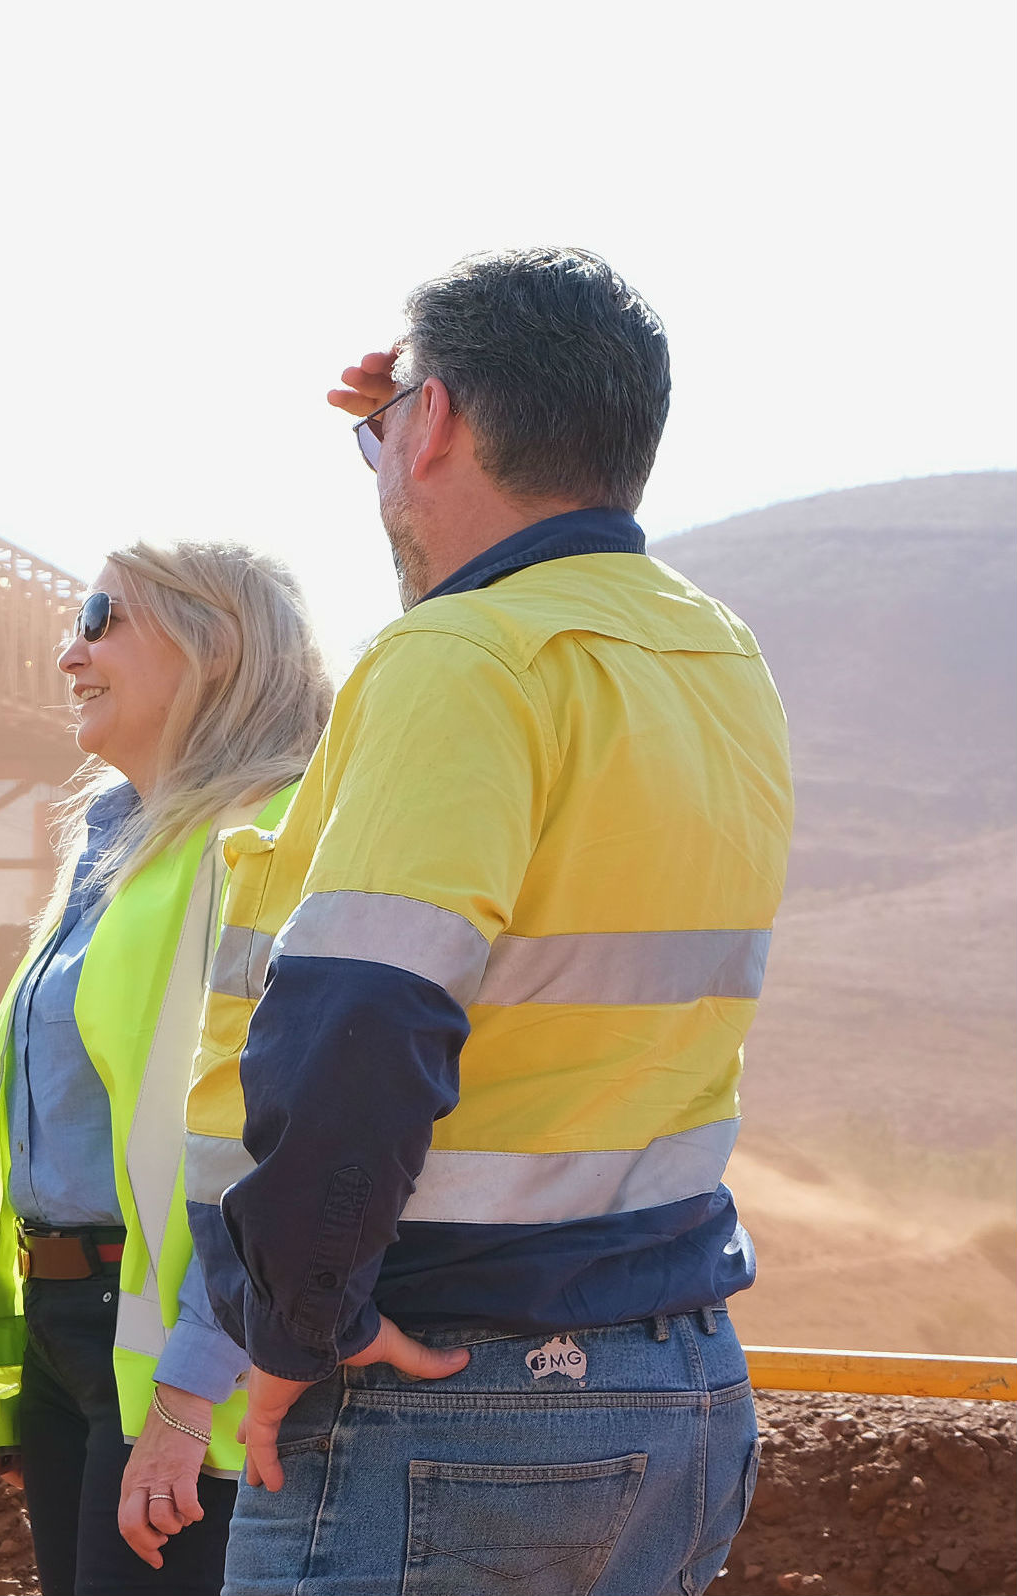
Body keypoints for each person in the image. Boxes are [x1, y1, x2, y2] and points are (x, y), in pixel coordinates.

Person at [187, 248, 788, 1594]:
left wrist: (297, 1329)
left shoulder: (462, 663)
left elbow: (363, 1023)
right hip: (673, 1383)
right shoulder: (712, 657)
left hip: (455, 1393)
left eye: (392, 428)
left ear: (445, 417)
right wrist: (399, 447)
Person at [0, 542, 332, 1593]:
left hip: (177, 1344)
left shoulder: (266, 838)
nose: (68, 649)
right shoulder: (111, 847)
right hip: (72, 1329)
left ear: (216, 648)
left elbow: (274, 1136)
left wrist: (191, 1385)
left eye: (102, 616)